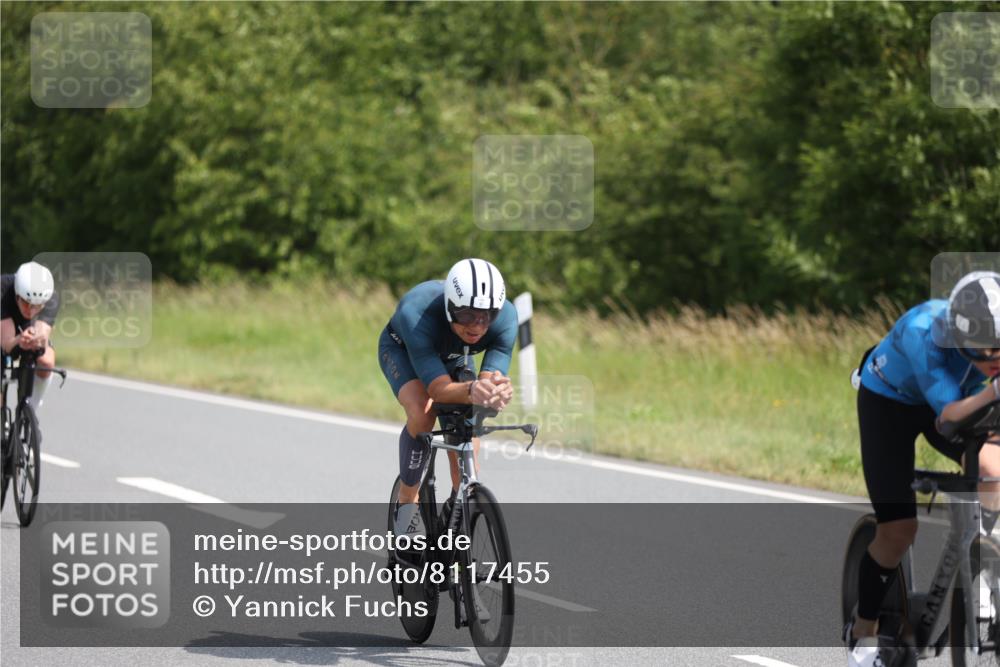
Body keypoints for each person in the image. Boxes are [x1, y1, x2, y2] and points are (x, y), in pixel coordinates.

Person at [845, 270, 1000, 667]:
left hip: (960, 401)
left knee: (994, 469)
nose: (994, 359)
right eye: (985, 352)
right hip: (892, 405)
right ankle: (863, 632)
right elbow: (947, 417)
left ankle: (988, 555)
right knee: (899, 531)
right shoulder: (923, 331)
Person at [378, 258, 517, 539]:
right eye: (466, 315)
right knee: (423, 411)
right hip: (404, 351)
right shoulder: (416, 313)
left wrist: (495, 393)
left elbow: (487, 383)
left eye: (486, 316)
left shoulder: (506, 318)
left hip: (454, 359)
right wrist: (471, 390)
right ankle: (407, 503)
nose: (477, 326)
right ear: (450, 306)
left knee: (470, 419)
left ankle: (457, 511)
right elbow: (437, 390)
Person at [1, 261, 60, 410]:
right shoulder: (3, 289)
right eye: (26, 303)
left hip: (25, 328)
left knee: (47, 361)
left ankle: (31, 408)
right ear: (17, 296)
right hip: (4, 326)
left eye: (37, 305)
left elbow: (42, 333)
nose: (31, 310)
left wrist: (36, 339)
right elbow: (7, 345)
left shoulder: (51, 298)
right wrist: (19, 340)